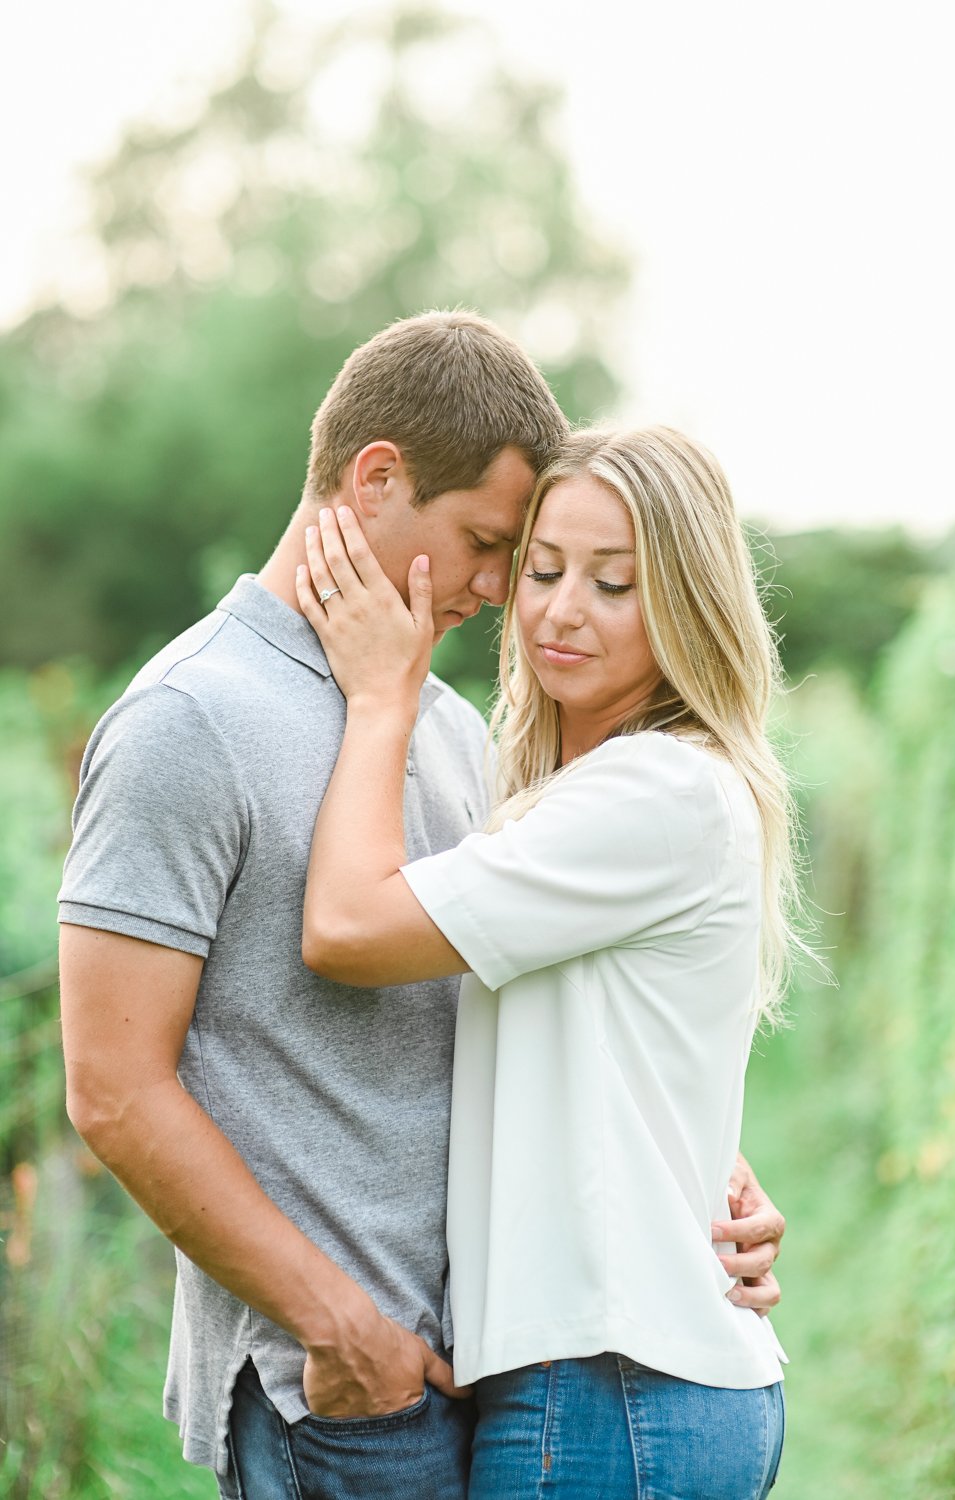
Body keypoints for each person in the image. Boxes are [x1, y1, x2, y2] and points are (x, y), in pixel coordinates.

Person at [58, 312, 785, 1500]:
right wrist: (335, 1326)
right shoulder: (188, 721)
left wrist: (703, 1167)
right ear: (377, 480)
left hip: (493, 1365)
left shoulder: (443, 731)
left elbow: (528, 986)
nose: (507, 595)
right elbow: (111, 1088)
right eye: (491, 546)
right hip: (343, 1381)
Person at [296, 423, 796, 1498]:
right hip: (613, 1384)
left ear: (687, 604)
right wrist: (703, 1164)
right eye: (543, 568)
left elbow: (343, 929)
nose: (561, 610)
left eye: (614, 583)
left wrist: (383, 694)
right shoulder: (573, 797)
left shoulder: (652, 792)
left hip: (608, 1388)